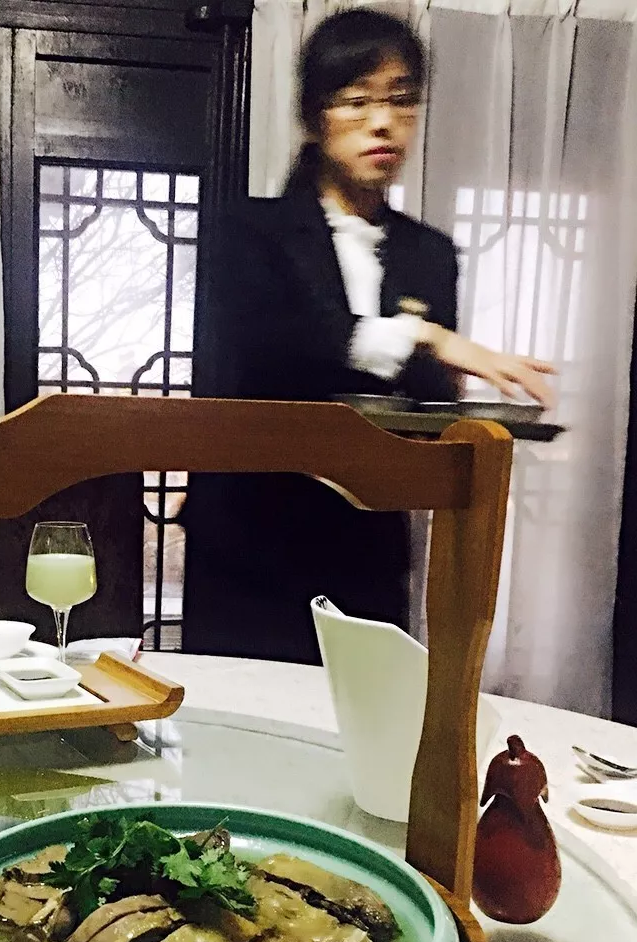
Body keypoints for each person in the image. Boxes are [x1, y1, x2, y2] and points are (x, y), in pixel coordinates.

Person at [181, 9, 554, 663]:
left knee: (368, 717)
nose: (383, 123)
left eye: (401, 100)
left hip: (369, 552)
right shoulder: (246, 231)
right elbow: (271, 352)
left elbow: (427, 399)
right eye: (356, 101)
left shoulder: (429, 254)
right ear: (314, 117)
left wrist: (454, 405)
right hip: (250, 546)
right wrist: (424, 336)